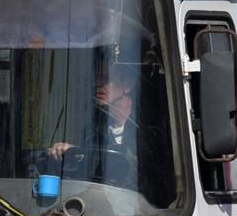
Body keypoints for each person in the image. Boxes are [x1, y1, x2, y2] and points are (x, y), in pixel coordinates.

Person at [47, 58, 171, 205]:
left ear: (128, 85)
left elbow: (155, 179)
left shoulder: (153, 129)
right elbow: (92, 177)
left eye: (104, 78)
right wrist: (69, 155)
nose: (96, 84)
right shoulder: (91, 131)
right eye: (94, 78)